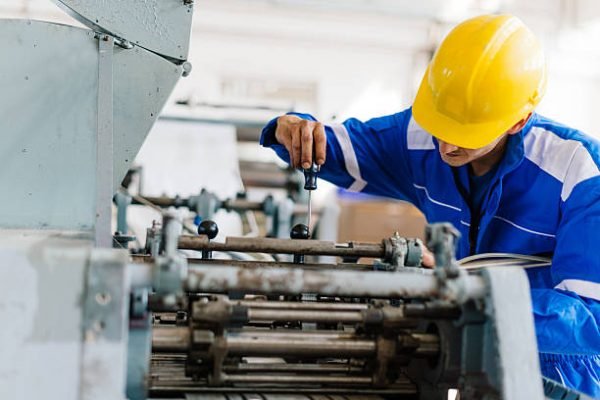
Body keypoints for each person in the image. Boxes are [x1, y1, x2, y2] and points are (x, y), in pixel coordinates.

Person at [260, 14, 600, 396]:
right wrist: (291, 128)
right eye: (441, 127)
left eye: (465, 136)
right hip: (465, 359)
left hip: (560, 373)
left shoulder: (579, 170)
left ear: (518, 121)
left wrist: (466, 291)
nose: (446, 147)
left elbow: (591, 319)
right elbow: (332, 147)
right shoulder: (420, 138)